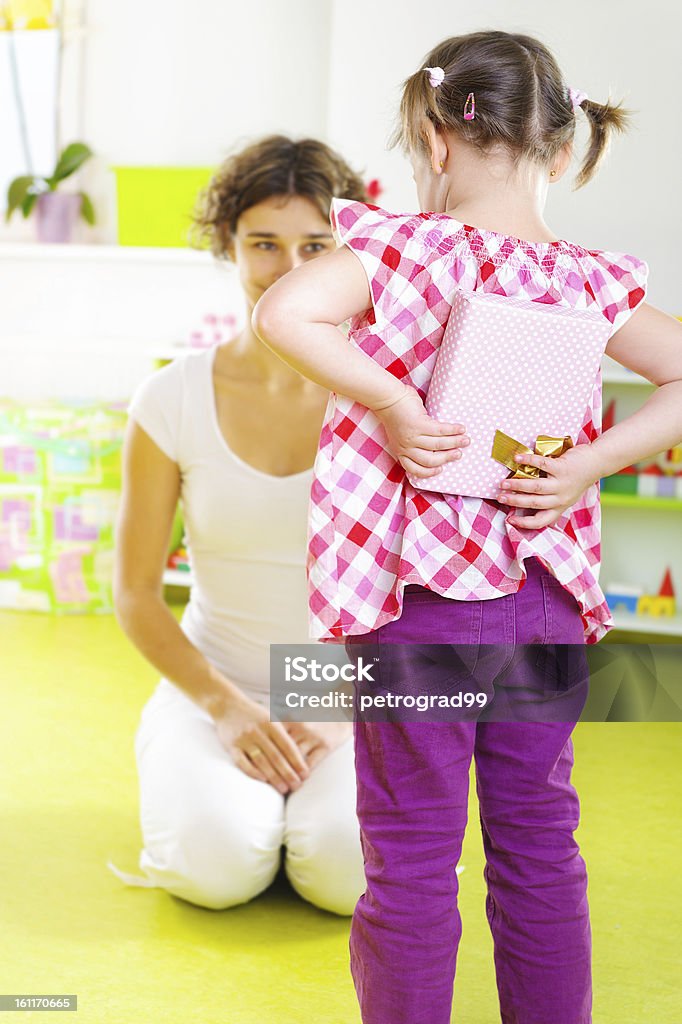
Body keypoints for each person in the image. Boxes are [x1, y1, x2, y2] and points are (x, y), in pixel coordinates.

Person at [252, 31, 682, 1024]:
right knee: (539, 847)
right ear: (563, 152)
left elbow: (286, 315)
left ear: (434, 143)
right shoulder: (588, 279)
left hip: (418, 614)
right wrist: (588, 463)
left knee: (408, 859)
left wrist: (396, 403)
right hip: (544, 607)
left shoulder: (404, 251)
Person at [113, 135, 368, 915]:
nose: (289, 269)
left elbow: (434, 586)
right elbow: (135, 595)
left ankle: (302, 825)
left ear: (345, 252)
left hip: (352, 691)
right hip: (211, 683)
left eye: (315, 246)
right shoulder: (171, 399)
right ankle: (250, 815)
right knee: (217, 872)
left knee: (345, 876)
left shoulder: (384, 395)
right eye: (264, 243)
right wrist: (224, 706)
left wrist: (342, 701)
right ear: (228, 244)